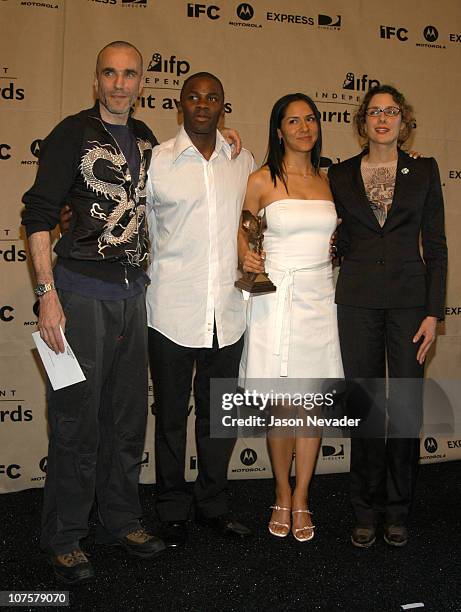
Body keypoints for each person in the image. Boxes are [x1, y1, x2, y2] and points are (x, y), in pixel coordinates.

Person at [21, 41, 166, 585]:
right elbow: (37, 214)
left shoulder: (150, 141)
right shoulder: (70, 133)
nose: (120, 83)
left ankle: (121, 521)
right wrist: (46, 292)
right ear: (96, 79)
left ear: (141, 81)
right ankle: (65, 536)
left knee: (127, 422)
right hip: (78, 296)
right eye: (110, 72)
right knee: (77, 424)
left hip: (133, 298)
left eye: (130, 73)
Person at [328, 84, 447, 548]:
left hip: (410, 306)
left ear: (403, 119)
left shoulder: (424, 171)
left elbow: (436, 248)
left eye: (391, 111)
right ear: (362, 121)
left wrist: (434, 313)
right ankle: (364, 509)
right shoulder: (339, 174)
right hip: (356, 302)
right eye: (374, 111)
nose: (382, 119)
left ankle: (397, 511)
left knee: (404, 409)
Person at [146, 72, 256, 547]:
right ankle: (171, 508)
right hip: (171, 309)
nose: (203, 104)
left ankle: (213, 505)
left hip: (227, 313)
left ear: (223, 106)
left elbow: (253, 226)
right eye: (194, 97)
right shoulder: (157, 162)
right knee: (171, 417)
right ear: (181, 105)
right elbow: (140, 229)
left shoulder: (242, 158)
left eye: (213, 97)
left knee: (218, 418)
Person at [238, 94, 343, 542]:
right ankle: (281, 491)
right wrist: (248, 260)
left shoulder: (331, 180)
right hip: (274, 299)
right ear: (278, 130)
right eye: (293, 120)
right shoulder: (260, 179)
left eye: (311, 119)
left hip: (320, 299)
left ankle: (303, 497)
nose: (304, 127)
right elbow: (243, 239)